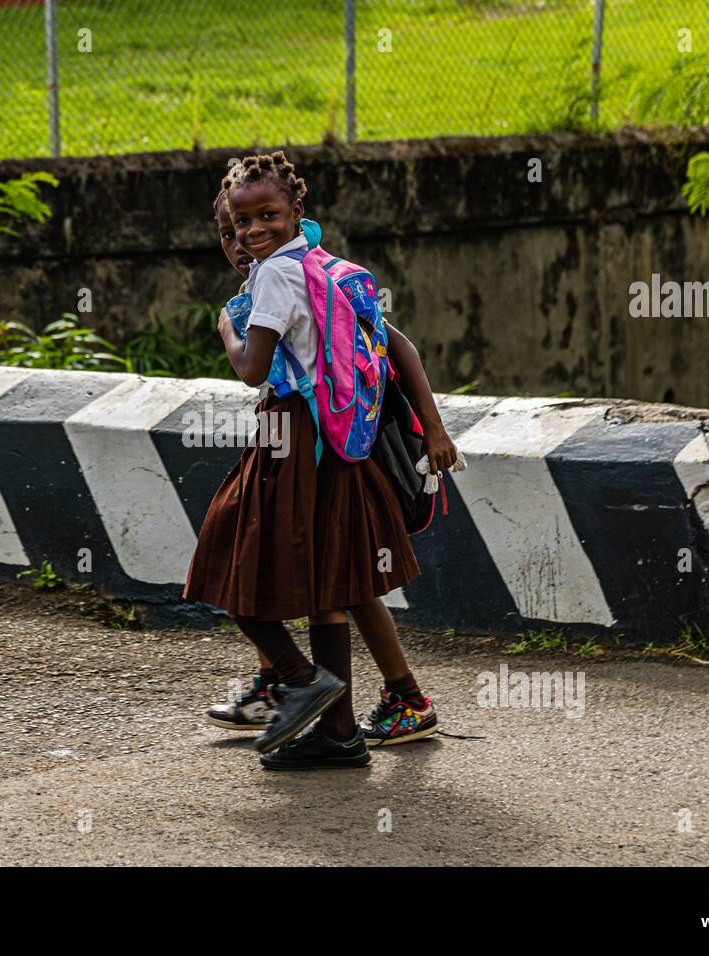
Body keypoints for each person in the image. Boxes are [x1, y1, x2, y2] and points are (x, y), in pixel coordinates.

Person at [183, 151, 453, 769]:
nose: (251, 233)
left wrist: (227, 326)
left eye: (265, 217)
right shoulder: (319, 266)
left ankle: (301, 680)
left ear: (296, 211)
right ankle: (338, 731)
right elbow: (398, 344)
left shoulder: (276, 275)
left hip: (292, 436)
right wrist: (433, 427)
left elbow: (252, 368)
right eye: (238, 224)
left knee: (226, 554)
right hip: (335, 442)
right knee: (332, 582)